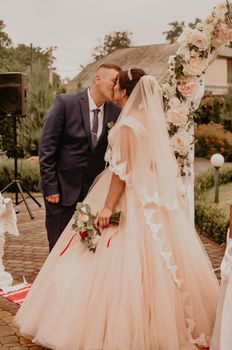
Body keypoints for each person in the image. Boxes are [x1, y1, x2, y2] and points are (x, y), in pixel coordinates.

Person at [14, 74, 219, 350]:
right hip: (150, 196)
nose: (114, 89)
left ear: (123, 90)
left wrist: (108, 207)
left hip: (125, 195)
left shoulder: (128, 124)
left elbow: (121, 172)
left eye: (117, 85)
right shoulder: (150, 121)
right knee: (159, 260)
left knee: (116, 260)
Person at [39, 63, 122, 251]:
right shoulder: (65, 103)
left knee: (85, 250)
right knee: (59, 248)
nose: (116, 86)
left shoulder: (116, 112)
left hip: (94, 194)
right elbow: (47, 148)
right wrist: (50, 187)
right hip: (61, 192)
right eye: (113, 80)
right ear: (97, 78)